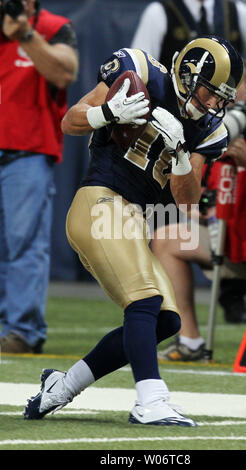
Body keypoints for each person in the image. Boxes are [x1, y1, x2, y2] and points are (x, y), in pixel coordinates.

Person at [23, 36, 244, 426]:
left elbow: (188, 201)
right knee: (143, 300)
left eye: (222, 98)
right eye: (211, 93)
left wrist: (178, 155)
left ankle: (62, 385)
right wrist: (106, 112)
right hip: (99, 201)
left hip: (135, 218)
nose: (215, 105)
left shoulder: (209, 131)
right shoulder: (140, 70)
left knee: (166, 319)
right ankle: (150, 399)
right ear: (189, 76)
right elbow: (69, 121)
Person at [132, 0, 246, 322]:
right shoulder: (161, 12)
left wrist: (245, 99)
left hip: (224, 127)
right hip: (175, 123)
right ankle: (179, 314)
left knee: (230, 194)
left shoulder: (237, 10)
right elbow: (141, 68)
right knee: (170, 219)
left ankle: (233, 288)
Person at [152, 76, 246, 362]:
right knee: (167, 240)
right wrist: (201, 206)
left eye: (232, 86)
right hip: (228, 241)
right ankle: (190, 342)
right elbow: (202, 195)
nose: (223, 95)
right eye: (217, 87)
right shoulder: (203, 128)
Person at [0, 0, 79, 353]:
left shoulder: (53, 27)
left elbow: (64, 73)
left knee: (25, 244)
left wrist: (26, 36)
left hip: (26, 152)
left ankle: (22, 331)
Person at [131, 0, 246, 99]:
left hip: (226, 114)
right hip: (177, 119)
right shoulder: (158, 13)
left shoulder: (237, 11)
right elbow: (139, 68)